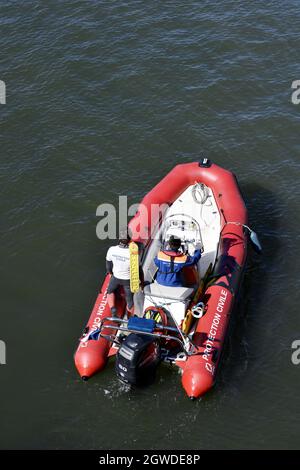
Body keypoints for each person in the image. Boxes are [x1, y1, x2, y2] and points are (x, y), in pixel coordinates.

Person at [106, 229, 143, 316]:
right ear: (130, 239)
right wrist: (142, 282)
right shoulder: (133, 254)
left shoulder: (111, 250)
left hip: (116, 278)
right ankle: (129, 317)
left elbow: (108, 266)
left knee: (110, 292)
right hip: (128, 280)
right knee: (130, 301)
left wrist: (110, 274)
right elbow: (139, 270)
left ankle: (113, 308)